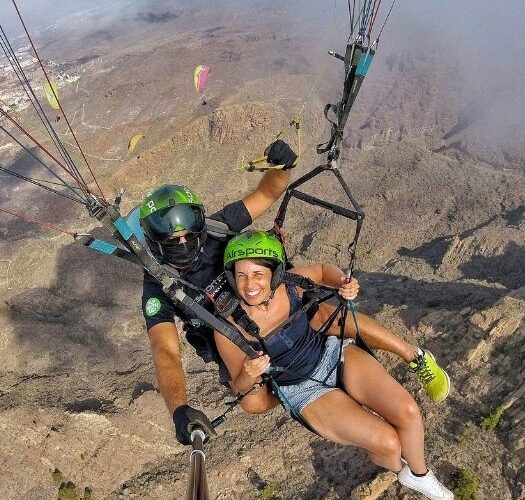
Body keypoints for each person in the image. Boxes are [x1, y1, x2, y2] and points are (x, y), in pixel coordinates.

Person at [139, 140, 449, 446]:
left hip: (273, 303)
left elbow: (266, 194)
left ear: (198, 226)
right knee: (253, 403)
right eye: (172, 242)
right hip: (240, 342)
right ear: (155, 242)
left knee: (321, 315)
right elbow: (164, 350)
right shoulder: (159, 286)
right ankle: (304, 391)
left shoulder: (217, 226)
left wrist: (283, 167)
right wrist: (178, 409)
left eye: (187, 237)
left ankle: (414, 356)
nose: (182, 245)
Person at [214, 231, 454, 500]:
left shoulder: (290, 285)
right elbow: (239, 386)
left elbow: (323, 270)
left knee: (408, 412)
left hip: (330, 354)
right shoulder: (228, 327)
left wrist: (343, 281)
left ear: (274, 273)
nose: (249, 284)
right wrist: (248, 373)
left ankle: (420, 475)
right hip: (302, 390)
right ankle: (401, 469)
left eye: (258, 274)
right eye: (242, 275)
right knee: (388, 444)